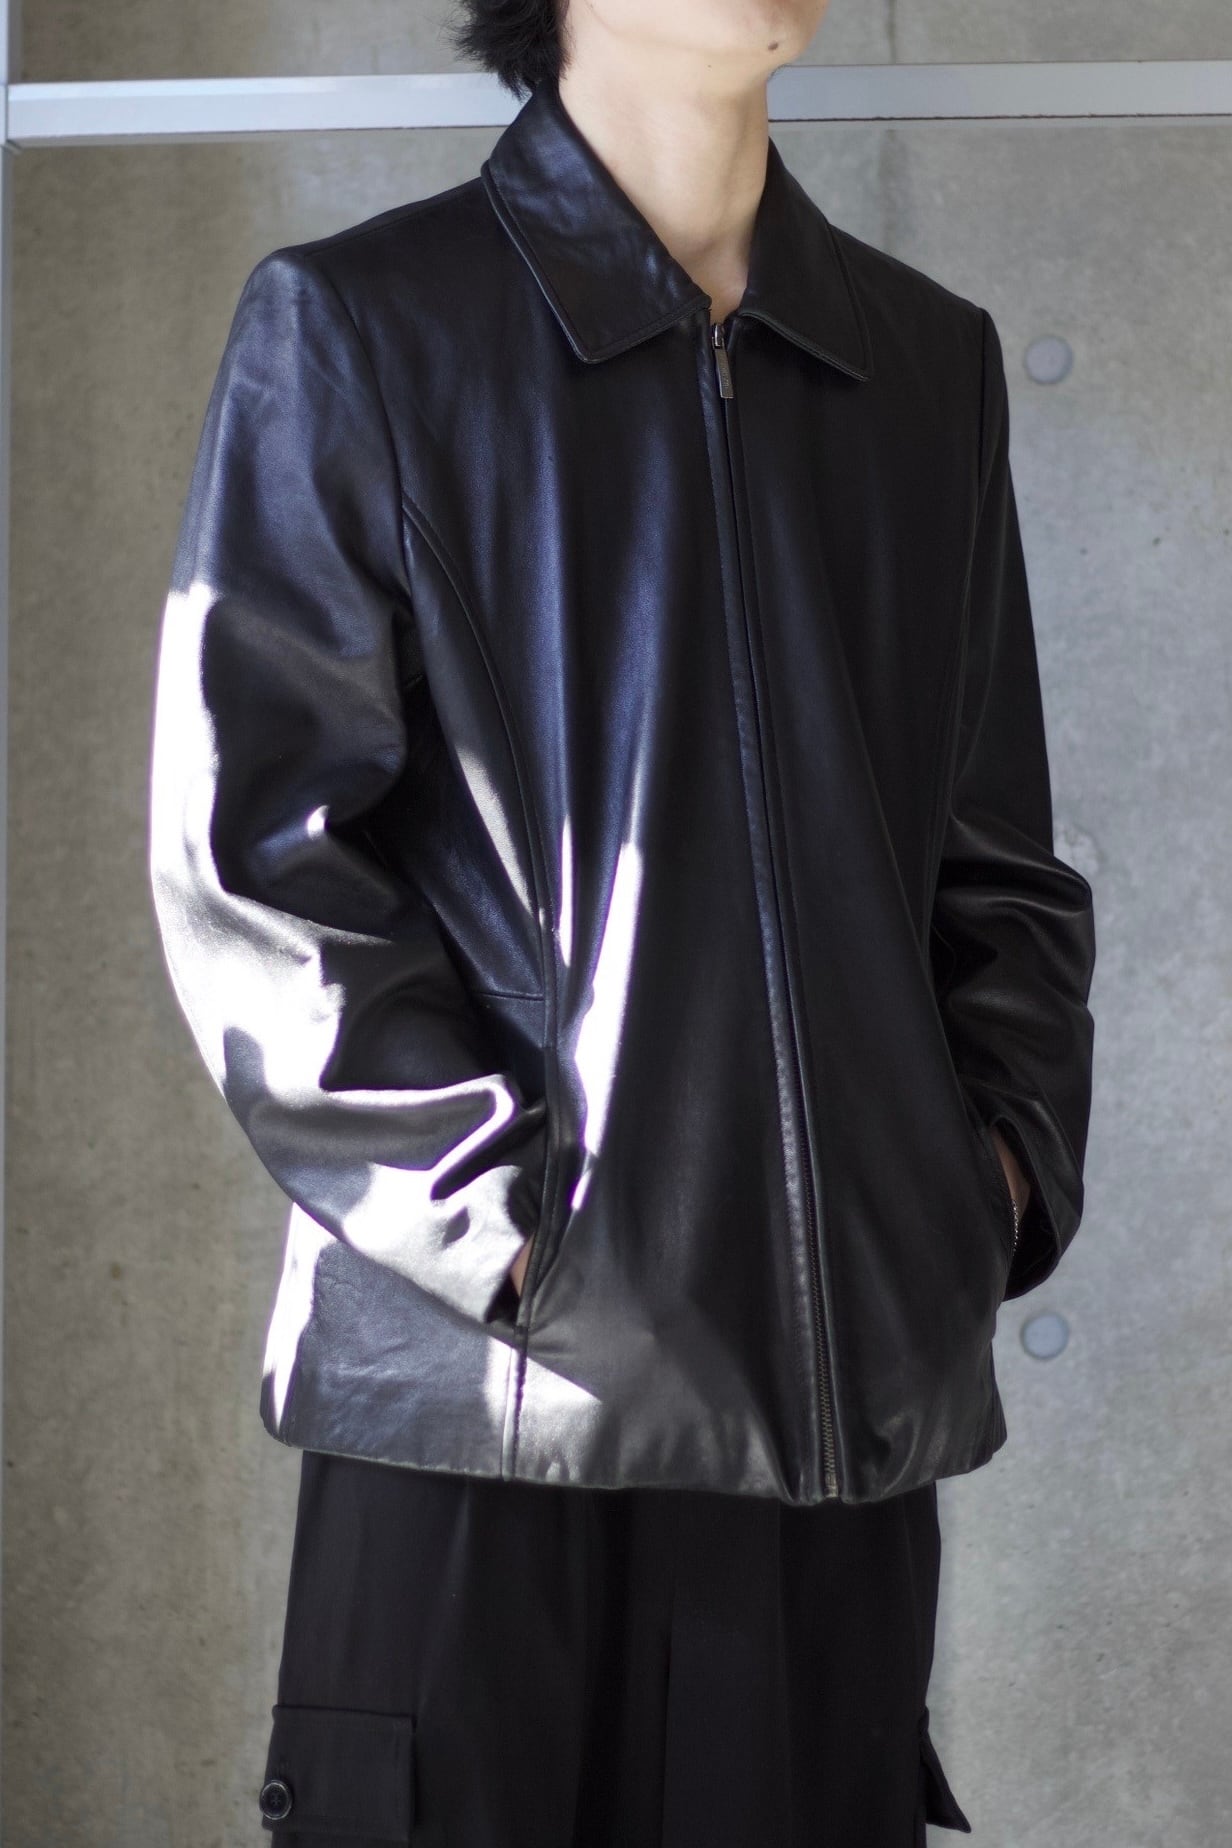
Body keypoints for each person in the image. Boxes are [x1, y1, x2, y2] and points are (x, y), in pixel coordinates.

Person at [146, 1, 1097, 1843]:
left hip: (834, 1434)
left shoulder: (926, 363)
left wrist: (980, 1192)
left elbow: (997, 860)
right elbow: (253, 862)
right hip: (493, 1406)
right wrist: (520, 1245)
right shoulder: (362, 328)